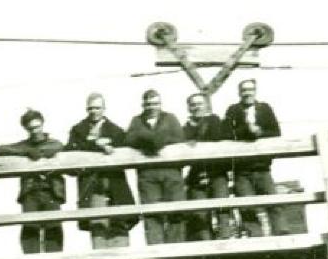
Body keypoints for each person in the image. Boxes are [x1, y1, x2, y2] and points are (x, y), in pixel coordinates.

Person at [66, 92, 136, 248]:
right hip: (92, 189)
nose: (94, 111)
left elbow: (126, 150)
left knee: (120, 229)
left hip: (115, 187)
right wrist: (96, 145)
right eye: (90, 108)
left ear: (104, 109)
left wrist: (111, 147)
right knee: (98, 230)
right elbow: (70, 152)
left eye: (97, 108)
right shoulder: (78, 130)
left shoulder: (116, 131)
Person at [0, 109, 65, 253]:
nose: (35, 131)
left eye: (37, 127)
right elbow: (0, 150)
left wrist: (40, 153)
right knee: (30, 229)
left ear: (43, 124)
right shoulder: (24, 146)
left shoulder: (54, 143)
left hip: (51, 192)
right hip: (31, 192)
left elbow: (58, 147)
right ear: (26, 129)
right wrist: (26, 152)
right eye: (31, 128)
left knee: (53, 229)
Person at [222, 77, 281, 236]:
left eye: (250, 89)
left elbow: (276, 133)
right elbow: (226, 134)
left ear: (255, 91)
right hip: (242, 169)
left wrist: (260, 132)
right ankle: (255, 236)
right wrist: (246, 131)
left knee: (273, 203)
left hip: (262, 167)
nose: (247, 93)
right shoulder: (233, 110)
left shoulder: (265, 108)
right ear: (239, 93)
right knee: (247, 206)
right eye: (244, 90)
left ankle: (282, 234)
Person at [125, 89, 185, 244]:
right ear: (143, 105)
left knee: (176, 213)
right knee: (152, 215)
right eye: (148, 104)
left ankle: (177, 255)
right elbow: (130, 139)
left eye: (155, 103)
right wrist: (151, 138)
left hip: (171, 173)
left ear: (160, 104)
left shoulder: (170, 118)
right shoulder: (136, 120)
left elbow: (179, 137)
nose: (152, 107)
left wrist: (151, 140)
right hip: (148, 175)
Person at [183, 92, 231, 242]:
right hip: (197, 176)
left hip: (216, 173)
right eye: (193, 104)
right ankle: (207, 246)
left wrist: (196, 131)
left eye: (199, 103)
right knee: (200, 214)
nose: (196, 107)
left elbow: (215, 137)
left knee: (222, 209)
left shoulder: (214, 120)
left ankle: (225, 243)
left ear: (206, 105)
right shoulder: (185, 127)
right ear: (189, 108)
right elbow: (185, 146)